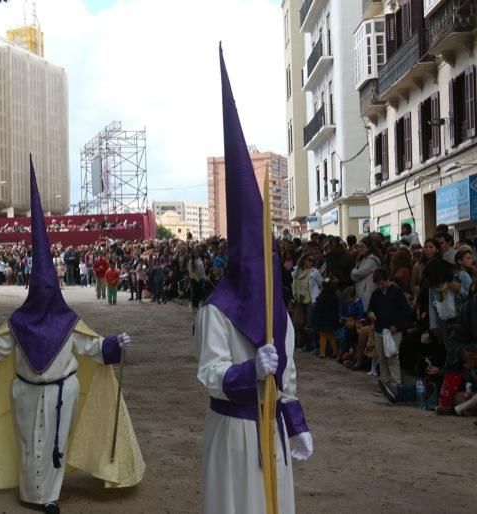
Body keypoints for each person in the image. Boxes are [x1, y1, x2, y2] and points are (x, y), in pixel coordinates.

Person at [0, 159, 143, 514]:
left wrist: (114, 344)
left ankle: (48, 496)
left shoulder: (68, 323)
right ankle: (31, 492)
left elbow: (92, 349)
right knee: (26, 444)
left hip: (61, 392)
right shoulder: (18, 324)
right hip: (24, 392)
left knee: (55, 444)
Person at [196, 51, 312, 514]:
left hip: (273, 429)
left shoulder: (278, 307)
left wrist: (296, 420)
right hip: (235, 434)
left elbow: (290, 377)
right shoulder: (216, 310)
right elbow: (209, 374)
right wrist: (250, 371)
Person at [367, 268, 412, 387]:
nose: (380, 285)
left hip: (393, 331)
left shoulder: (397, 292)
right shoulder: (376, 294)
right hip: (379, 329)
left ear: (388, 280)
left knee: (392, 357)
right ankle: (384, 382)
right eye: (378, 284)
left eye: (382, 282)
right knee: (382, 358)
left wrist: (397, 326)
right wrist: (370, 313)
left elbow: (405, 312)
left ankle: (395, 384)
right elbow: (370, 308)